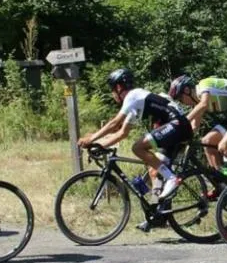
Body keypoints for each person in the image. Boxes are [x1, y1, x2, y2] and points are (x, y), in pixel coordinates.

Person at [78, 68, 192, 206]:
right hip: (177, 128)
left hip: (177, 125)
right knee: (155, 171)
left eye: (112, 90)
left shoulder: (133, 95)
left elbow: (114, 123)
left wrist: (91, 139)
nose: (112, 94)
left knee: (137, 147)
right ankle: (159, 212)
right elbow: (121, 133)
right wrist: (99, 145)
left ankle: (172, 178)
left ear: (119, 87)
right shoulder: (137, 103)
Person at [168, 75, 227, 197]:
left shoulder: (203, 85)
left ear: (187, 90)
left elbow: (204, 104)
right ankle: (220, 184)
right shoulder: (197, 103)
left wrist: (179, 122)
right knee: (207, 141)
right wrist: (178, 139)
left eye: (180, 99)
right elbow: (193, 127)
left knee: (224, 146)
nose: (181, 102)